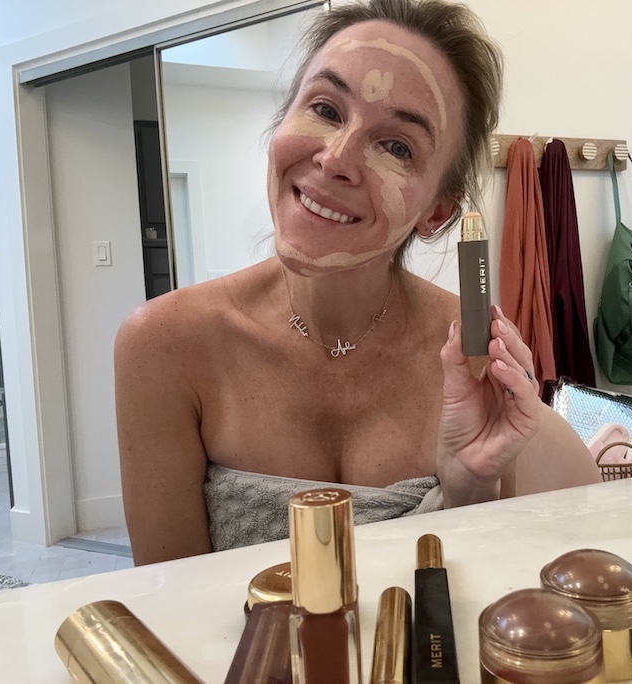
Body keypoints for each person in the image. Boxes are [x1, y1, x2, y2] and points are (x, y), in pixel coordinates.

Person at [115, 0, 601, 566]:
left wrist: (470, 487)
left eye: (397, 147)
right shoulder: (164, 346)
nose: (336, 158)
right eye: (324, 108)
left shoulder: (470, 360)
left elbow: (494, 593)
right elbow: (169, 606)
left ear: (437, 212)